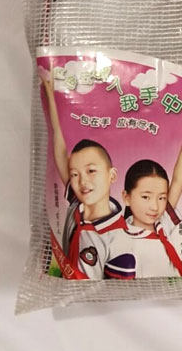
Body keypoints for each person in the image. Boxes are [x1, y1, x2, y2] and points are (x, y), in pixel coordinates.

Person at [40, 68, 126, 279]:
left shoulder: (120, 235)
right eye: (75, 174)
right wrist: (50, 94)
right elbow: (60, 151)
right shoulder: (76, 204)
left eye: (91, 171)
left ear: (112, 176)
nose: (82, 181)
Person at [103, 107, 182, 279]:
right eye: (145, 197)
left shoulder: (163, 224)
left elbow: (179, 180)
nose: (155, 206)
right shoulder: (118, 238)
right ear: (126, 197)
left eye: (161, 198)